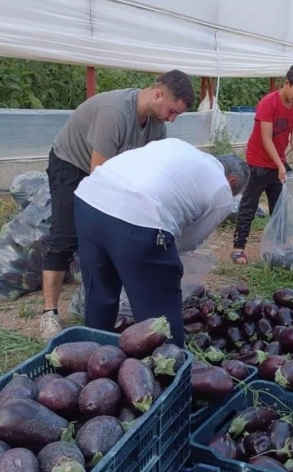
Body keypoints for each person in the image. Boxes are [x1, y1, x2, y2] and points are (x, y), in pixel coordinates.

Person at [40, 70, 195, 340]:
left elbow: (150, 171)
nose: (171, 118)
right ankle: (49, 314)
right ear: (158, 93)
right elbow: (98, 177)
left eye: (176, 115)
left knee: (105, 234)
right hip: (72, 164)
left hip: (106, 169)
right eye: (172, 111)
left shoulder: (157, 126)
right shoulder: (115, 113)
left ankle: (87, 283)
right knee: (65, 236)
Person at [72, 138, 250, 347]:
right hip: (139, 217)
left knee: (100, 294)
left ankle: (94, 356)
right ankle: (168, 369)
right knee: (159, 315)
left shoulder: (180, 146)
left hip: (89, 199)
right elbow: (190, 239)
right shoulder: (222, 191)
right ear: (231, 181)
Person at [230, 63, 293, 265]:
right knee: (248, 207)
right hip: (257, 163)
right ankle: (238, 247)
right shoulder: (268, 103)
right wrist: (279, 164)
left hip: (278, 164)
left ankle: (278, 247)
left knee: (280, 207)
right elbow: (266, 138)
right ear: (287, 83)